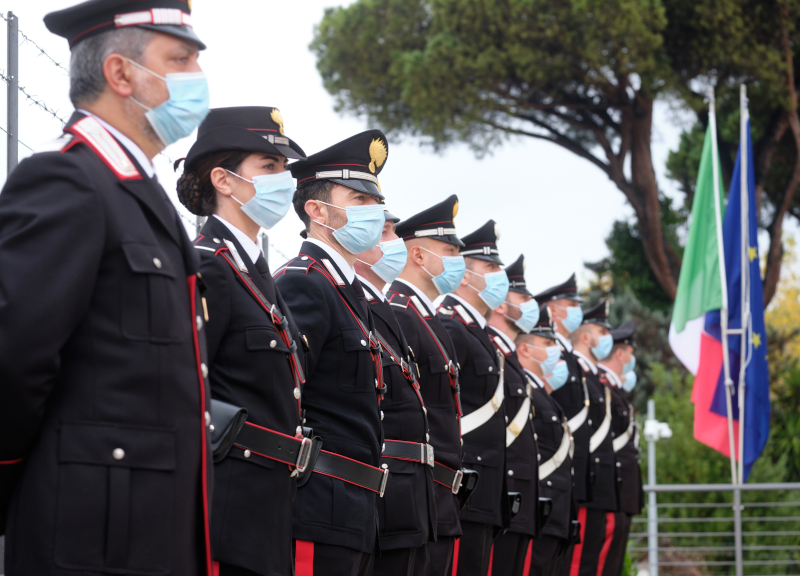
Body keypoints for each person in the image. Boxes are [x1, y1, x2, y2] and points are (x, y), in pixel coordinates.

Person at [0, 1, 212, 574]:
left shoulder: (137, 194)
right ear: (121, 74)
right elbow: (14, 359)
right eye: (180, 59)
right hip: (90, 536)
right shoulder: (69, 181)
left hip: (150, 532)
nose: (198, 77)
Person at [177, 106, 308, 576]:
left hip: (272, 502)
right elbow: (186, 392)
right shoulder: (207, 265)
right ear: (224, 180)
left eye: (284, 169)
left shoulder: (255, 274)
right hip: (229, 507)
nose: (284, 181)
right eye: (268, 167)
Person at [274, 131, 390, 576]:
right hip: (320, 500)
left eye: (376, 200)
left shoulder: (348, 291)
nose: (376, 212)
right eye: (360, 199)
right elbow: (287, 392)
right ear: (318, 211)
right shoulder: (303, 281)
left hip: (355, 506)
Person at [353, 208, 436, 575]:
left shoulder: (385, 309)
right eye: (384, 231)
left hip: (408, 495)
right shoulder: (357, 303)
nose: (395, 243)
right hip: (376, 492)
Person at [387, 195, 466, 576]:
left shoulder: (426, 316)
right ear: (418, 256)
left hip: (439, 494)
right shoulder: (400, 314)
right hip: (419, 490)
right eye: (449, 251)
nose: (458, 262)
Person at [437, 220, 511, 576]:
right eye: (491, 268)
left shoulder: (477, 333)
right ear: (465, 275)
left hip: (483, 489)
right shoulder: (450, 326)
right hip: (463, 486)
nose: (500, 276)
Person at [485, 255, 541, 576]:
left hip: (516, 500)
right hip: (500, 494)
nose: (532, 305)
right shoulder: (494, 353)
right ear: (502, 307)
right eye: (524, 298)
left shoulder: (509, 358)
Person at [533, 275, 590, 575]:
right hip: (550, 476)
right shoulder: (552, 353)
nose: (576, 311)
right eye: (571, 305)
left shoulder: (567, 355)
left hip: (567, 476)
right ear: (552, 310)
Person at [515, 307, 577, 576]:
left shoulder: (541, 394)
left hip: (554, 512)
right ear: (526, 349)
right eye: (548, 343)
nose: (556, 349)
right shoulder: (523, 391)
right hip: (538, 508)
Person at [566, 300, 619, 576]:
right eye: (602, 331)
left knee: (593, 563)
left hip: (598, 484)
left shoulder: (593, 376)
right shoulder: (575, 372)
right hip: (586, 481)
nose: (608, 338)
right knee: (579, 564)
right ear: (585, 337)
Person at [596, 322, 644, 576]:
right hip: (609, 488)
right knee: (602, 565)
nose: (632, 359)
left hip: (622, 492)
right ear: (620, 354)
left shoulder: (614, 390)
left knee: (612, 565)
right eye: (631, 352)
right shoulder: (603, 387)